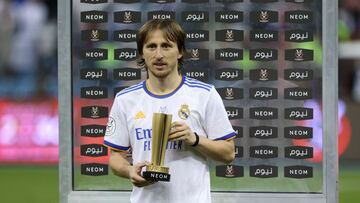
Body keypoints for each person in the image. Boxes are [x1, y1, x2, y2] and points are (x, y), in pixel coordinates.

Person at [103, 19, 236, 203]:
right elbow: (115, 157)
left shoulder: (204, 94)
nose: (158, 54)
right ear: (141, 52)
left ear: (180, 51)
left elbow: (228, 153)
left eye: (166, 46)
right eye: (151, 46)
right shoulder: (125, 100)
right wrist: (129, 170)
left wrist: (194, 139)